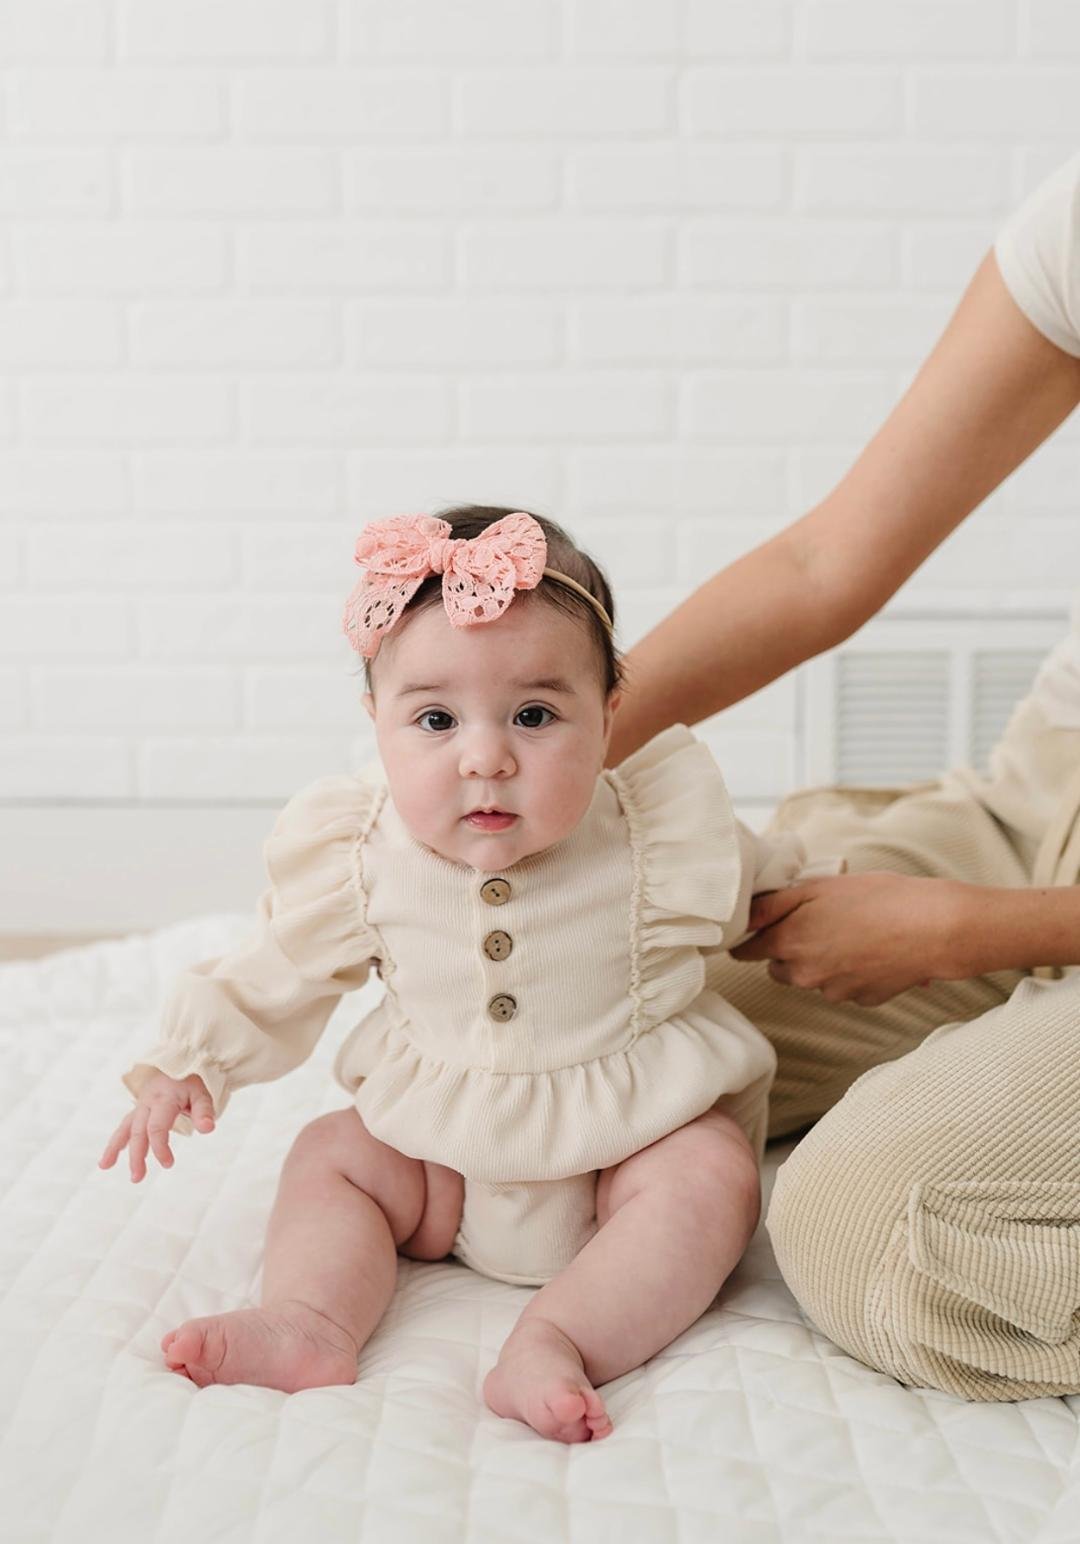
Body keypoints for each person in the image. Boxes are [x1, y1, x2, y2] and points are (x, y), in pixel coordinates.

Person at [98, 507, 836, 1444]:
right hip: (437, 1165)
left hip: (623, 1156)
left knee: (714, 1174)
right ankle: (312, 1321)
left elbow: (766, 889)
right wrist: (193, 1060)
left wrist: (828, 900)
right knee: (330, 1153)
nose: (485, 756)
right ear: (378, 724)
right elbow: (279, 966)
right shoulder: (362, 856)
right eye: (436, 719)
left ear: (608, 718)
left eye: (535, 715)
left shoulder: (657, 836)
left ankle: (560, 1338)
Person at [606, 148, 1080, 1401]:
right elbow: (827, 560)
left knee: (872, 1220)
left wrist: (975, 933)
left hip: (1032, 900)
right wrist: (549, 741)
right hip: (1045, 794)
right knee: (619, 1013)